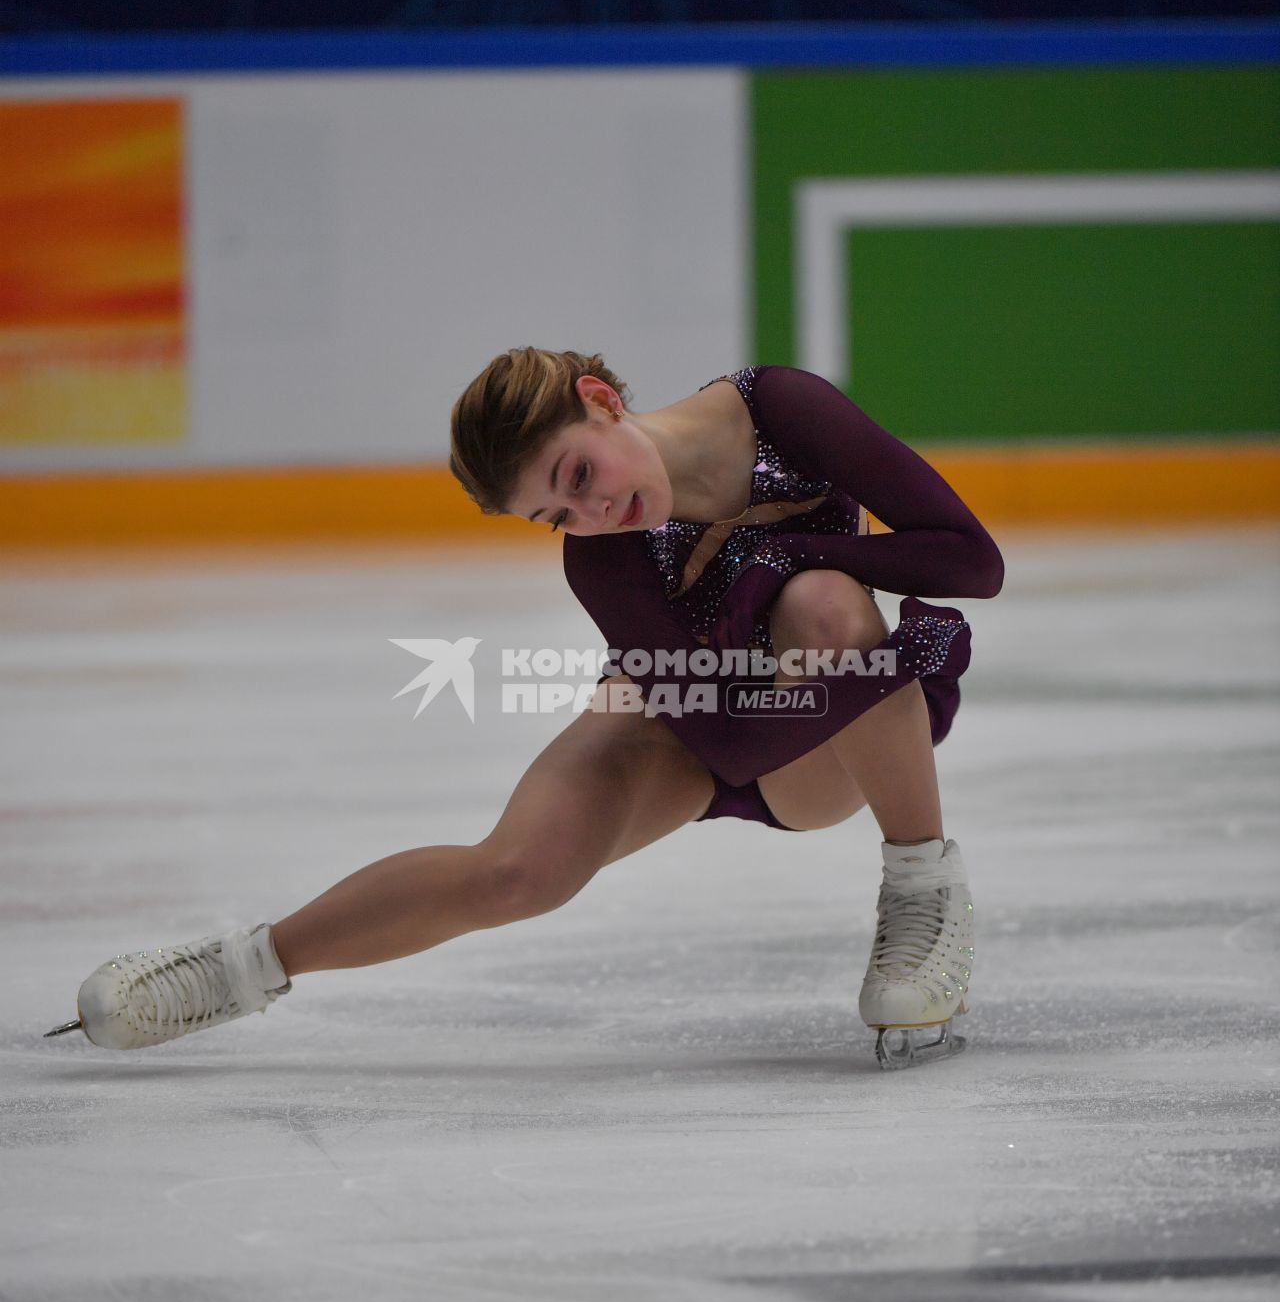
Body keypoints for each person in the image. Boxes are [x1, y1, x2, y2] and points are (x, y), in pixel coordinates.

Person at [57, 348, 1002, 1069]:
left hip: (828, 729)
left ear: (601, 400)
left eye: (579, 477)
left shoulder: (782, 410)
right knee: (517, 874)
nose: (592, 516)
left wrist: (789, 562)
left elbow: (970, 560)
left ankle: (923, 887)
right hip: (692, 719)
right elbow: (720, 735)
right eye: (558, 514)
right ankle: (237, 967)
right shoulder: (606, 557)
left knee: (826, 607)